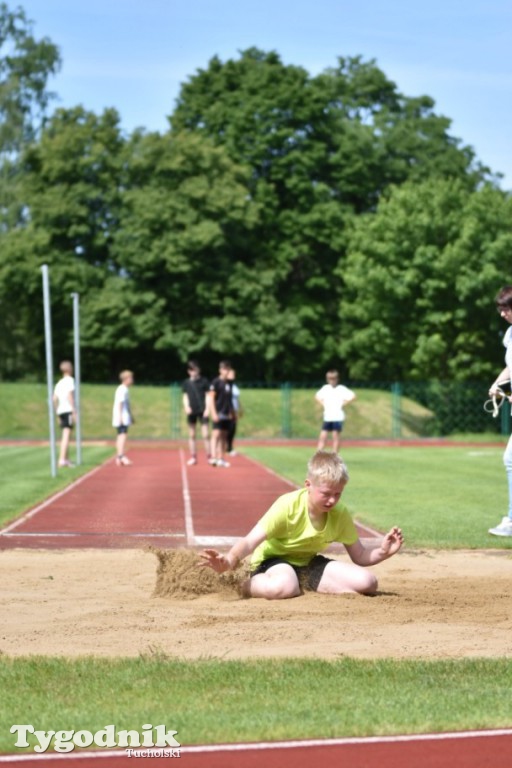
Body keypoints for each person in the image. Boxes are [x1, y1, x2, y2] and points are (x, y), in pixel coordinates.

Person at [200, 450, 403, 598]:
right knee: (286, 587)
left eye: (337, 494)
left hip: (307, 564)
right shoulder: (287, 506)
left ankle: (301, 582)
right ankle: (240, 585)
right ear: (308, 485)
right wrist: (228, 560)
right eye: (326, 494)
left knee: (368, 583)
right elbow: (249, 542)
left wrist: (383, 552)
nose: (332, 500)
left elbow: (359, 555)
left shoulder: (339, 514)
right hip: (271, 561)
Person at [488, 286, 512, 536]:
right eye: (501, 309)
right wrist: (498, 384)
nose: (503, 313)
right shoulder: (510, 335)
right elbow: (510, 367)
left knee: (510, 459)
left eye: (506, 308)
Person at [315, 370, 356, 453]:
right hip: (328, 416)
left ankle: (335, 455)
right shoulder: (325, 388)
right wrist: (323, 403)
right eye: (330, 378)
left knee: (335, 436)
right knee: (323, 436)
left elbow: (353, 396)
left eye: (334, 378)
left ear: (337, 379)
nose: (332, 380)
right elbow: (317, 396)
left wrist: (344, 403)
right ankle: (318, 454)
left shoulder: (341, 389)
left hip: (337, 416)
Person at [182, 361, 211, 466]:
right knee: (192, 434)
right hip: (191, 411)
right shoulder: (186, 383)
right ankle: (193, 456)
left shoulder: (204, 381)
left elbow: (208, 395)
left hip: (202, 411)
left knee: (206, 434)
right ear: (188, 371)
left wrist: (208, 409)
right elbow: (185, 396)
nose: (193, 372)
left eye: (195, 369)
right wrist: (186, 407)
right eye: (191, 370)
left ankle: (209, 456)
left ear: (198, 370)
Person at [208, 360, 234, 468]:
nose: (226, 371)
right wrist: (213, 413)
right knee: (216, 435)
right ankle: (213, 457)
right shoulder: (216, 382)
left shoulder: (229, 383)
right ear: (220, 370)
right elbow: (211, 398)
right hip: (218, 412)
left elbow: (229, 399)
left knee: (224, 436)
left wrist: (232, 412)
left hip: (226, 414)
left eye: (228, 369)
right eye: (224, 369)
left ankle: (221, 458)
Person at [53, 360, 76, 468]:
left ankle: (65, 459)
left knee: (65, 434)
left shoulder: (59, 383)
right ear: (69, 369)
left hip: (61, 411)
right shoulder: (70, 381)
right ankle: (62, 459)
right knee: (66, 435)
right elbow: (69, 395)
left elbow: (54, 399)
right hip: (68, 410)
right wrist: (74, 410)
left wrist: (57, 413)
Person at [112, 370, 134, 466]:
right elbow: (120, 403)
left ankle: (119, 456)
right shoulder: (122, 389)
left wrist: (131, 416)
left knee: (121, 435)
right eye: (131, 378)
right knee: (122, 435)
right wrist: (120, 417)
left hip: (123, 416)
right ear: (125, 379)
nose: (132, 380)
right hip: (122, 417)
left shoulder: (124, 389)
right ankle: (121, 456)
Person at [226, 368, 242, 456]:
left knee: (233, 430)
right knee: (227, 430)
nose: (233, 376)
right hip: (228, 410)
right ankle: (226, 447)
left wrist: (240, 408)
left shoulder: (234, 386)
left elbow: (237, 399)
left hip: (234, 410)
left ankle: (230, 447)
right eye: (231, 374)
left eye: (234, 374)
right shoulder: (226, 385)